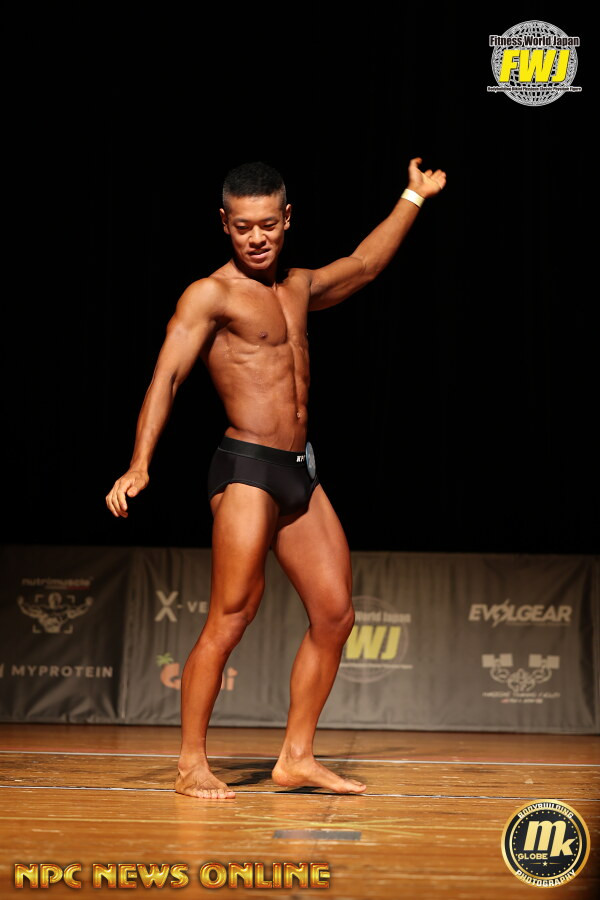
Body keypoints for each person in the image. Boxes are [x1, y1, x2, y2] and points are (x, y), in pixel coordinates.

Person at [106, 157, 446, 799]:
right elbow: (167, 376)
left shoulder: (299, 286)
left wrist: (413, 196)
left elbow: (365, 265)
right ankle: (190, 764)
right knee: (231, 616)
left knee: (336, 614)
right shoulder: (210, 295)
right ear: (224, 224)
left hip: (297, 471)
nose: (256, 237)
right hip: (246, 468)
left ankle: (295, 758)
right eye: (242, 227)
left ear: (287, 218)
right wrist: (139, 462)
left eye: (267, 224)